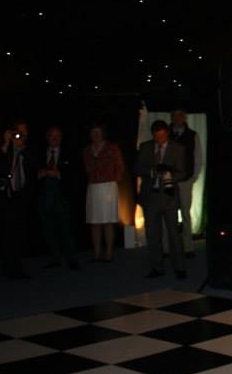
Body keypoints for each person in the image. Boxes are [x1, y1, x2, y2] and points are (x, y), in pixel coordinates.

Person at [134, 120, 187, 279]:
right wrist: (151, 172)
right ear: (153, 135)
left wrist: (168, 176)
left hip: (169, 197)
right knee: (152, 234)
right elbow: (136, 168)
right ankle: (157, 267)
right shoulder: (145, 147)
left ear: (167, 133)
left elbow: (183, 172)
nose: (160, 140)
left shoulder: (178, 149)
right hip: (150, 197)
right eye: (157, 137)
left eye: (162, 137)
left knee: (174, 233)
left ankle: (180, 268)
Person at [0, 119, 34, 279]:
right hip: (7, 196)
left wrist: (22, 149)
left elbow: (33, 166)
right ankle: (7, 266)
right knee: (7, 233)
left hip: (22, 195)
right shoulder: (5, 149)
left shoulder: (28, 149)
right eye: (18, 132)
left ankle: (17, 266)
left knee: (19, 233)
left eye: (24, 132)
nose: (20, 135)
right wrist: (6, 143)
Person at [36, 126, 80, 270]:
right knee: (48, 228)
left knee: (66, 228)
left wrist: (59, 174)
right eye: (52, 136)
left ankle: (72, 259)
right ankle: (54, 258)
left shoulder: (69, 153)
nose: (55, 139)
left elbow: (75, 173)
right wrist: (40, 173)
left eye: (57, 136)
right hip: (44, 196)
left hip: (62, 195)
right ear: (47, 137)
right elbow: (31, 172)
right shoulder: (39, 154)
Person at [82, 123, 124, 262]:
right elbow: (86, 168)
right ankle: (96, 253)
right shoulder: (87, 150)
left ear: (103, 134)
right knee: (94, 222)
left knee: (107, 221)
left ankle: (109, 253)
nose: (96, 135)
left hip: (108, 186)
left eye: (98, 132)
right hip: (93, 187)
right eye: (93, 132)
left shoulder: (112, 148)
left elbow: (120, 166)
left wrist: (113, 179)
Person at [167, 108, 203, 259]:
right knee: (169, 214)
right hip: (168, 180)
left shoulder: (192, 135)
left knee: (185, 214)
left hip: (185, 180)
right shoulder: (165, 134)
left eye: (180, 116)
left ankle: (188, 246)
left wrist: (193, 177)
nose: (177, 118)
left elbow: (197, 157)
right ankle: (169, 247)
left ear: (184, 118)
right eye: (174, 116)